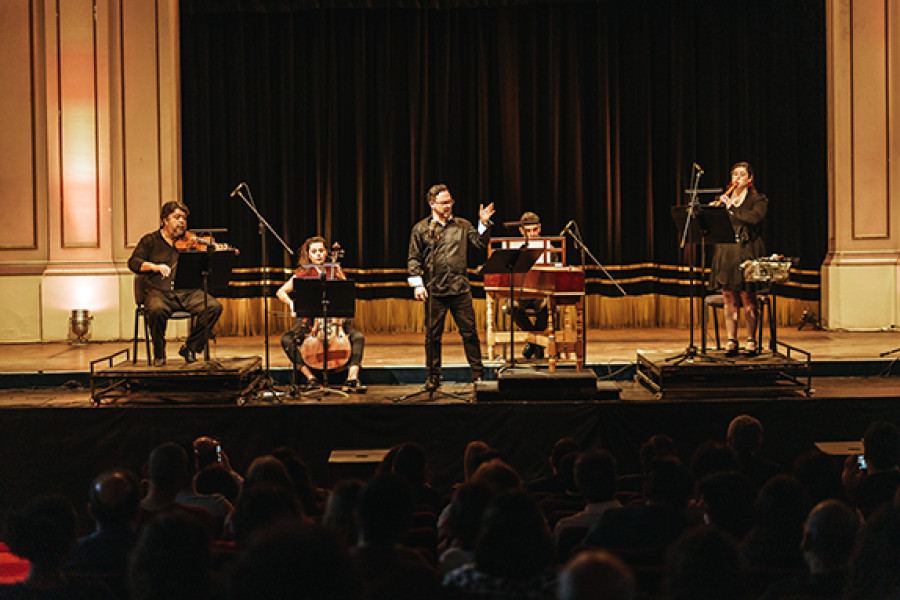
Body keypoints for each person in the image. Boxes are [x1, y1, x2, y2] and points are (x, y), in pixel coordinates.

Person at [407, 184, 495, 389]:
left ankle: (477, 375)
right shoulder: (421, 229)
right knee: (433, 336)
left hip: (460, 288)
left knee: (470, 334)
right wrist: (418, 285)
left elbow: (480, 244)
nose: (448, 206)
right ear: (432, 204)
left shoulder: (462, 225)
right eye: (444, 203)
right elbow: (413, 259)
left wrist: (483, 223)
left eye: (450, 202)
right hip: (434, 290)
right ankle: (433, 377)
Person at [128, 200, 224, 366]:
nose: (182, 222)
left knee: (214, 307)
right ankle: (159, 352)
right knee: (157, 310)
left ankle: (191, 347)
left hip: (187, 292)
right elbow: (134, 262)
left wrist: (216, 253)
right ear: (165, 220)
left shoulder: (190, 241)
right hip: (159, 292)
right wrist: (155, 266)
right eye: (177, 217)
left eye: (184, 218)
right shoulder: (150, 240)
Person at [277, 236, 366, 392]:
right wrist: (292, 305)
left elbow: (345, 295)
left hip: (335, 323)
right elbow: (281, 292)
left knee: (358, 337)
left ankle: (352, 377)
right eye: (314, 251)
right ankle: (310, 377)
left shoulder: (335, 270)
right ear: (309, 255)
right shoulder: (303, 273)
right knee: (287, 340)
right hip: (311, 324)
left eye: (321, 250)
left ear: (326, 253)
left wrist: (339, 277)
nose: (318, 254)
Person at [708, 161, 768, 356]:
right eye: (735, 174)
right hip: (726, 250)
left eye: (742, 175)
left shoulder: (757, 199)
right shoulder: (725, 198)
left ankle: (751, 340)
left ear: (750, 179)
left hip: (746, 248)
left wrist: (731, 208)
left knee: (747, 296)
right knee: (728, 296)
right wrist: (713, 211)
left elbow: (754, 218)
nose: (737, 178)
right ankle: (731, 340)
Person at [513, 211, 551, 359]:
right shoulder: (514, 248)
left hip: (541, 292)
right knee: (512, 306)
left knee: (547, 305)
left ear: (540, 228)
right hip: (521, 292)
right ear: (521, 231)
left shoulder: (550, 246)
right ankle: (536, 343)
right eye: (528, 231)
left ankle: (533, 344)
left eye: (535, 230)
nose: (532, 234)